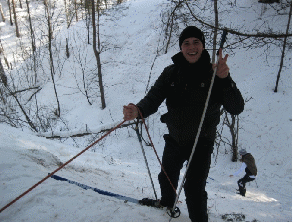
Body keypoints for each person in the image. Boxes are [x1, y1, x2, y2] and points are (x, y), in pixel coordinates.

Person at [123, 26, 245, 222]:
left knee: (194, 188)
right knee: (166, 178)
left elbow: (236, 107)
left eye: (196, 42)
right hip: (175, 138)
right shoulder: (171, 73)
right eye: (186, 43)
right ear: (181, 47)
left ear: (203, 46)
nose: (191, 47)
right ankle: (167, 204)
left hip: (201, 142)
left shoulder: (215, 74)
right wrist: (137, 110)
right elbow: (153, 98)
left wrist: (225, 79)